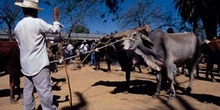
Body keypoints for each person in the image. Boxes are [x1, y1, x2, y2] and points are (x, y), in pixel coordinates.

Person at [14, 0, 63, 110]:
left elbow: (19, 45)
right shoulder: (37, 22)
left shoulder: (17, 27)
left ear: (24, 9)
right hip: (39, 64)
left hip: (25, 65)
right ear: (34, 11)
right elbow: (55, 31)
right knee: (44, 91)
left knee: (28, 91)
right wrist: (55, 17)